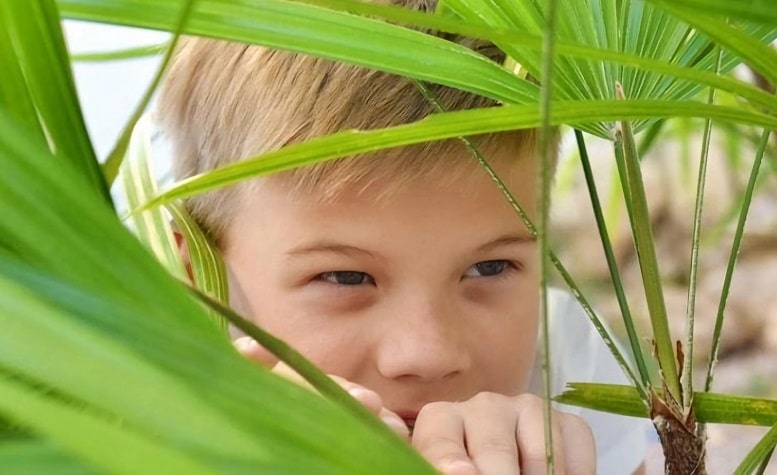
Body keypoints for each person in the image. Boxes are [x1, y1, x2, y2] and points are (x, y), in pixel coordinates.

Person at [157, 2, 648, 472]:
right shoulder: (145, 423)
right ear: (199, 273)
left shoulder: (569, 363)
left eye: (490, 268)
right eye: (345, 276)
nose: (427, 354)